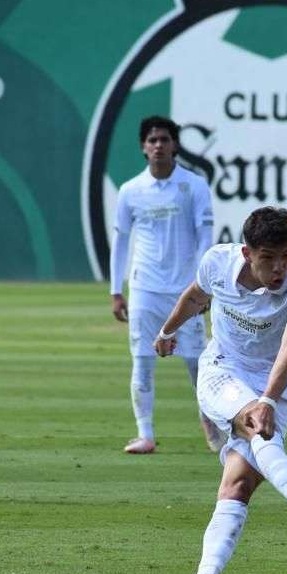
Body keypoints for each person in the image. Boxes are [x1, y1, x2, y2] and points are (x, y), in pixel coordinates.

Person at [156, 206, 287, 574]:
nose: (279, 268)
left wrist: (269, 398)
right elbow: (195, 296)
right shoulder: (217, 262)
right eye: (268, 258)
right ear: (246, 252)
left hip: (278, 382)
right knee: (254, 423)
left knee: (238, 483)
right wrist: (168, 330)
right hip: (222, 369)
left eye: (286, 255)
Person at [111, 115, 222, 455]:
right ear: (144, 148)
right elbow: (121, 241)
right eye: (152, 140)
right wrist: (116, 290)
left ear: (175, 145)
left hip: (185, 291)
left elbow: (206, 237)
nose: (158, 145)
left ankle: (215, 429)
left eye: (164, 139)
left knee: (196, 363)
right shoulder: (130, 190)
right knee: (142, 360)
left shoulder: (194, 186)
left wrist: (204, 286)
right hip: (144, 288)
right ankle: (145, 434)